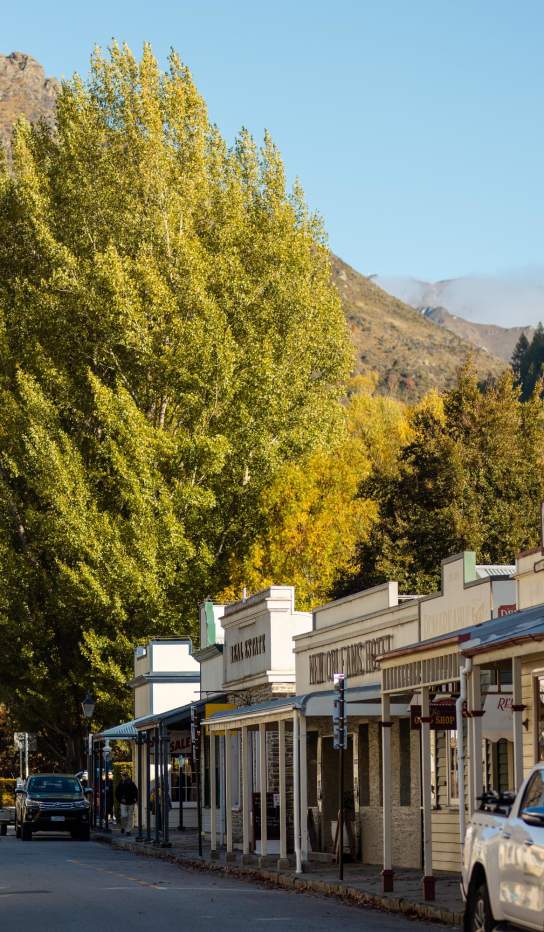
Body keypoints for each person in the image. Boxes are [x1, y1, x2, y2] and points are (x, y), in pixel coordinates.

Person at [116, 771, 138, 835]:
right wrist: (120, 800)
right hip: (123, 803)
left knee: (130, 816)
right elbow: (117, 793)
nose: (124, 776)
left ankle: (128, 830)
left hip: (130, 802)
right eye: (123, 775)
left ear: (127, 776)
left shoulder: (131, 783)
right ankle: (123, 827)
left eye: (125, 775)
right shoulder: (120, 784)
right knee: (124, 815)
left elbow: (136, 791)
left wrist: (135, 799)